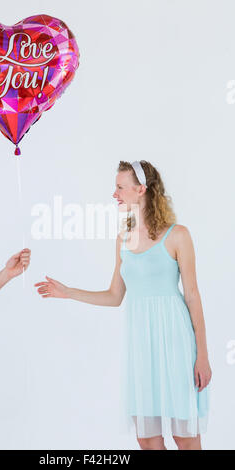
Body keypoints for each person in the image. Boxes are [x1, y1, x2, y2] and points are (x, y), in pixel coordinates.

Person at [34, 160, 212, 451]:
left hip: (176, 344)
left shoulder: (178, 235)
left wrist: (202, 356)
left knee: (185, 436)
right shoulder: (123, 240)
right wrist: (68, 292)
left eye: (120, 187)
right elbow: (115, 296)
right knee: (147, 439)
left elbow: (193, 296)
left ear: (141, 190)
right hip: (141, 348)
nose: (114, 194)